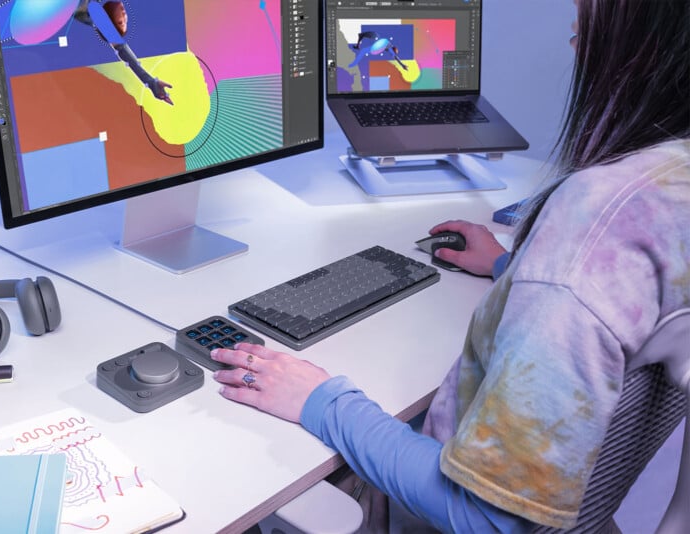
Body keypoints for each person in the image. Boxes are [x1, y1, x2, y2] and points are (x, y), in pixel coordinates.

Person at [212, 0, 689, 531]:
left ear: (641, 47)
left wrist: (321, 400)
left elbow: (486, 519)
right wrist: (516, 266)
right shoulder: (668, 191)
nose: (574, 42)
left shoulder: (598, 220)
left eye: (582, 33)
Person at [74, 0, 173, 104]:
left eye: (121, 22)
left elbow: (120, 48)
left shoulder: (93, 12)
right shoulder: (92, 11)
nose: (124, 15)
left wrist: (151, 83)